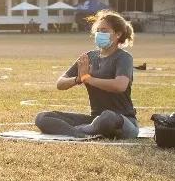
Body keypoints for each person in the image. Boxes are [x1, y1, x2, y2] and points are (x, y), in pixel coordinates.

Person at [34, 10, 139, 139]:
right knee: (42, 117)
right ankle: (79, 133)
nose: (100, 34)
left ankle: (82, 130)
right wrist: (78, 79)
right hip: (94, 119)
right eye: (98, 30)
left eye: (105, 30)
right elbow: (60, 83)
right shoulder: (89, 57)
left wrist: (88, 79)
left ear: (118, 34)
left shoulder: (123, 57)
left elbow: (119, 85)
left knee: (107, 117)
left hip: (122, 121)